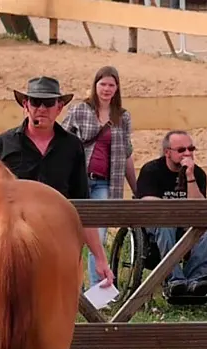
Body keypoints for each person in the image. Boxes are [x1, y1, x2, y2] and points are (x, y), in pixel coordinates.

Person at [0, 75, 114, 349]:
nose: (40, 109)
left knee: (54, 341)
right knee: (7, 338)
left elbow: (81, 207)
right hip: (12, 255)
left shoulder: (72, 148)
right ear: (24, 104)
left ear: (60, 107)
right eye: (34, 102)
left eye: (47, 103)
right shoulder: (2, 145)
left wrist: (100, 255)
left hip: (57, 258)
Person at [61, 65, 139, 287]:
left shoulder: (122, 117)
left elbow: (126, 154)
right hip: (79, 181)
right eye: (103, 84)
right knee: (73, 237)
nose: (106, 89)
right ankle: (72, 287)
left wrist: (135, 188)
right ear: (95, 86)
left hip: (105, 182)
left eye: (111, 85)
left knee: (99, 238)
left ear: (117, 88)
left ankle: (98, 292)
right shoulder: (79, 111)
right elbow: (63, 144)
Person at [135, 130, 207, 298]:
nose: (187, 153)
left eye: (191, 149)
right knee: (167, 225)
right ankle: (175, 281)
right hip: (157, 224)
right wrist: (176, 212)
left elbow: (200, 208)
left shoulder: (198, 173)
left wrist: (190, 177)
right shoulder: (151, 170)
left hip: (186, 225)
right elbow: (148, 202)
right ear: (167, 152)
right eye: (181, 150)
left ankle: (195, 280)